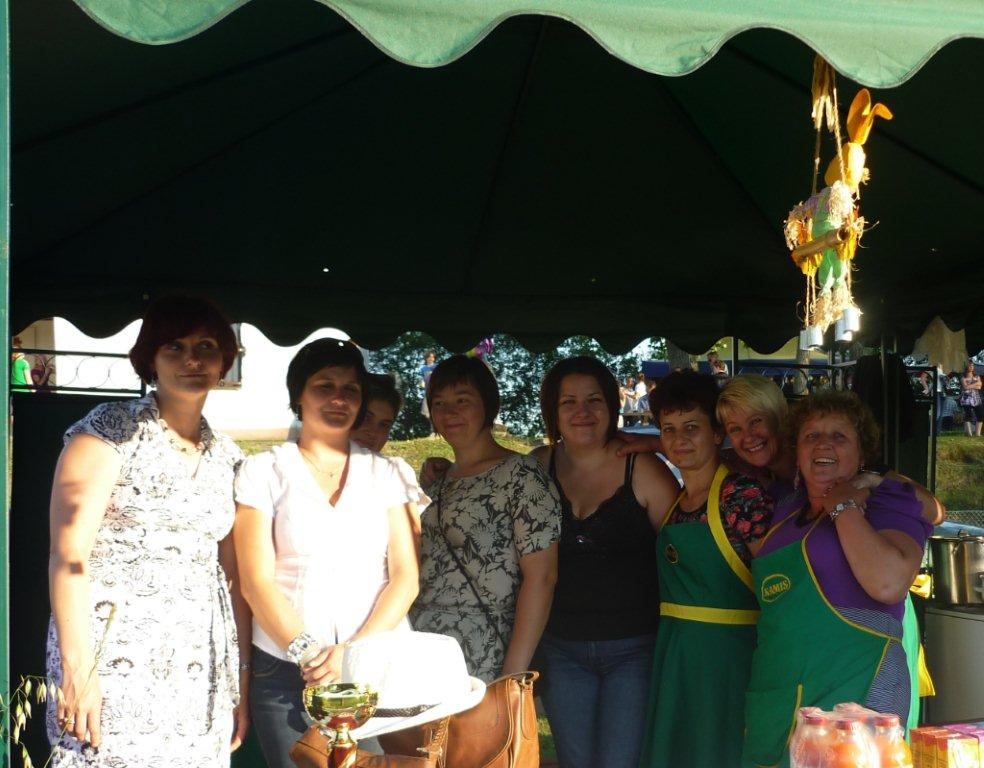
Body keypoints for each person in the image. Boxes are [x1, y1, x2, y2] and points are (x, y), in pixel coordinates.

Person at [46, 295, 249, 767]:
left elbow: (232, 576)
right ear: (150, 359)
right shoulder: (109, 430)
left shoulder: (229, 457)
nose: (192, 359)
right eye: (174, 347)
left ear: (224, 360)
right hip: (110, 658)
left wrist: (239, 678)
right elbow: (67, 555)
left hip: (200, 668)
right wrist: (78, 669)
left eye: (206, 346)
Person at [233, 339, 421, 768]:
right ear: (298, 395)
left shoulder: (388, 473)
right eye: (324, 386)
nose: (339, 399)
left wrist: (353, 653)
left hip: (375, 665)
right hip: (285, 668)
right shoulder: (263, 471)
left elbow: (405, 576)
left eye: (350, 389)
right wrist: (311, 656)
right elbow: (255, 580)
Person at [741, 391, 932, 768]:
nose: (823, 444)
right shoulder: (783, 508)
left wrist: (842, 505)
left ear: (862, 455)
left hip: (856, 692)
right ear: (797, 453)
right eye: (811, 436)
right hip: (777, 696)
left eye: (839, 436)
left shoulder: (888, 503)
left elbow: (888, 583)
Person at [530, 357, 679, 768]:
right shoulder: (536, 467)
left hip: (635, 650)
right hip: (561, 648)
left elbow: (687, 549)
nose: (583, 411)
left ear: (612, 406)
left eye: (594, 400)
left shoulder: (642, 468)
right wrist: (443, 471)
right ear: (553, 411)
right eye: (569, 402)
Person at [639, 371, 773, 768]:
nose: (679, 439)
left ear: (717, 434)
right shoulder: (677, 502)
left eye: (691, 427)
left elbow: (777, 586)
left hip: (729, 663)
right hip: (676, 658)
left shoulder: (742, 496)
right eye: (669, 430)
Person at [410, 355, 561, 681]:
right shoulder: (439, 481)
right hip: (423, 651)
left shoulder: (522, 475)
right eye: (439, 403)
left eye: (462, 400)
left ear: (488, 405)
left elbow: (542, 577)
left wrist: (512, 676)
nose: (449, 412)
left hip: (486, 652)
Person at [959, 360, 982, 437]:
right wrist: (976, 383)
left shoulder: (977, 376)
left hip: (976, 398)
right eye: (970, 365)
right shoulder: (963, 377)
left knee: (980, 415)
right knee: (968, 415)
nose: (971, 367)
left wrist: (969, 385)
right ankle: (969, 433)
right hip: (966, 398)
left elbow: (979, 387)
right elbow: (965, 387)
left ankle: (977, 434)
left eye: (972, 365)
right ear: (966, 367)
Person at [418, 350, 437, 418]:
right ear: (426, 358)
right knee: (427, 413)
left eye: (433, 357)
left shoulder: (437, 366)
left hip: (436, 390)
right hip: (427, 392)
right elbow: (421, 380)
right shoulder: (423, 368)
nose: (431, 358)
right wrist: (421, 383)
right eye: (429, 357)